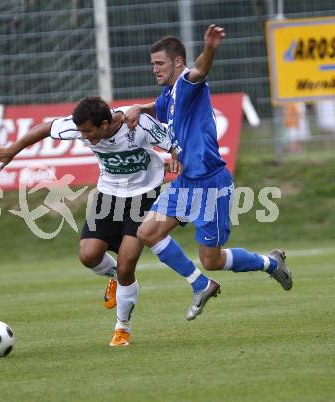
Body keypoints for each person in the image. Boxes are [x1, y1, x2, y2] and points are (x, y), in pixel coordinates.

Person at [125, 25, 293, 321]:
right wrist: (140, 107)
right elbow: (160, 107)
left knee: (211, 259)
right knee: (147, 231)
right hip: (187, 182)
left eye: (159, 63)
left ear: (178, 62)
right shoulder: (169, 95)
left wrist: (211, 48)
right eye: (152, 64)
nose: (154, 69)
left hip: (211, 185)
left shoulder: (189, 83)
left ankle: (271, 262)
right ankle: (201, 284)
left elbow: (199, 71)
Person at [0, 96, 187, 347]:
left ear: (105, 124)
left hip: (144, 197)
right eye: (81, 131)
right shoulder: (82, 128)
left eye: (88, 132)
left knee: (127, 266)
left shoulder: (137, 125)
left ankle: (122, 329)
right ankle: (115, 277)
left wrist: (176, 156)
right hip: (108, 196)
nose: (84, 137)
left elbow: (173, 142)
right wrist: (13, 149)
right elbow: (46, 128)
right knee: (88, 255)